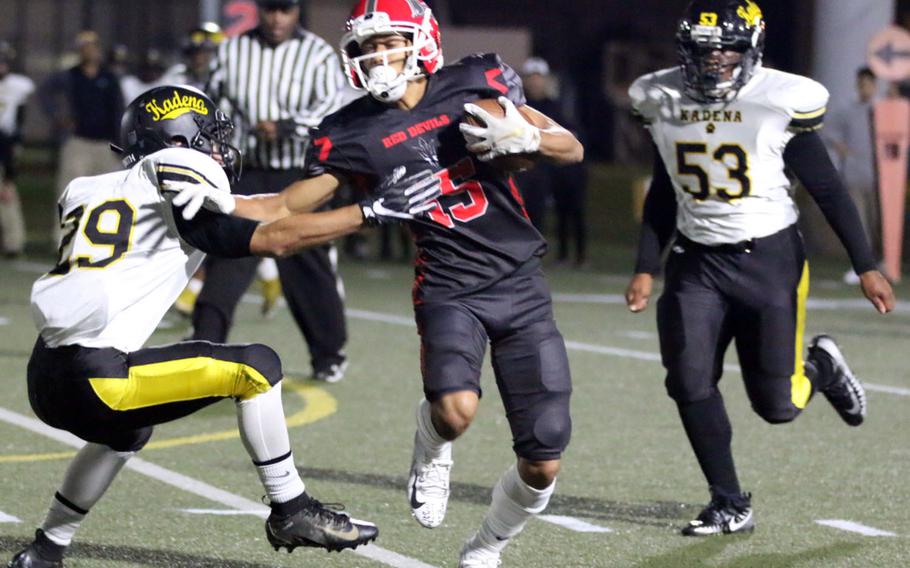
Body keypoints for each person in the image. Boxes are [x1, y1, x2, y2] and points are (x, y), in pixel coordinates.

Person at [180, 2, 584, 565]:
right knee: (454, 412)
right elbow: (284, 204)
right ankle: (432, 443)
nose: (376, 56)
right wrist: (220, 200)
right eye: (365, 47)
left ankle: (487, 544)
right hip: (448, 287)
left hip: (521, 284)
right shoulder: (350, 131)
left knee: (543, 460)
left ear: (421, 41)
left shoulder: (475, 83)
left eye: (387, 42)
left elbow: (571, 147)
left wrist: (528, 139)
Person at [6, 83, 445, 567]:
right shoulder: (175, 177)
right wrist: (371, 212)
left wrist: (343, 181)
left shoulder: (92, 188)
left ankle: (46, 551)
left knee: (127, 433)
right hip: (98, 377)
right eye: (206, 138)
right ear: (178, 143)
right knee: (256, 366)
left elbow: (269, 206)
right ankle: (291, 508)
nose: (217, 150)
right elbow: (273, 237)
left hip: (45, 375)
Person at [624, 0, 895, 537]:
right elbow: (663, 189)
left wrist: (867, 264)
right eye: (703, 51)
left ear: (750, 51)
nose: (715, 61)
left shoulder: (777, 100)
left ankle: (820, 366)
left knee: (777, 406)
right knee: (687, 378)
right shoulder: (661, 99)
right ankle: (728, 501)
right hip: (696, 259)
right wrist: (645, 265)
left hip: (767, 259)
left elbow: (827, 188)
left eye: (725, 49)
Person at [194, 0, 350, 383]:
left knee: (307, 265)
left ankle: (328, 353)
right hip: (246, 172)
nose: (277, 19)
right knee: (227, 257)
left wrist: (287, 126)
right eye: (270, 10)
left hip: (298, 174)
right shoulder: (231, 49)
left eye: (285, 10)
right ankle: (204, 344)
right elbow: (213, 102)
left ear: (297, 11)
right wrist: (218, 140)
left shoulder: (316, 53)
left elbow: (332, 105)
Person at [38, 31, 123, 223]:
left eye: (92, 46)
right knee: (71, 193)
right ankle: (64, 238)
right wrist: (58, 117)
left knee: (107, 195)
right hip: (77, 142)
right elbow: (44, 93)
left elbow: (118, 109)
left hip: (105, 144)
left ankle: (101, 240)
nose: (89, 51)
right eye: (85, 47)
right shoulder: (71, 75)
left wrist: (119, 144)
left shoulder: (109, 77)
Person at [515, 57, 589, 266]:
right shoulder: (517, 106)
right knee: (519, 213)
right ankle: (519, 255)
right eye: (531, 77)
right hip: (521, 169)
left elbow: (571, 138)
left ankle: (542, 255)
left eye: (539, 77)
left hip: (547, 171)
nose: (535, 82)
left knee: (558, 212)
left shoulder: (556, 107)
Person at [825, 67, 881, 284]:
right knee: (860, 221)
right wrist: (843, 148)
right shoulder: (847, 109)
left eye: (869, 84)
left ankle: (882, 262)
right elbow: (829, 131)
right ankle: (863, 267)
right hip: (854, 172)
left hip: (880, 177)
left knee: (877, 222)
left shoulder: (881, 109)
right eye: (862, 84)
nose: (865, 88)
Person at [0, 41, 35, 258]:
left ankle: (14, 242)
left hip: (5, 141)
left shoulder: (18, 85)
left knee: (7, 193)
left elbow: (19, 118)